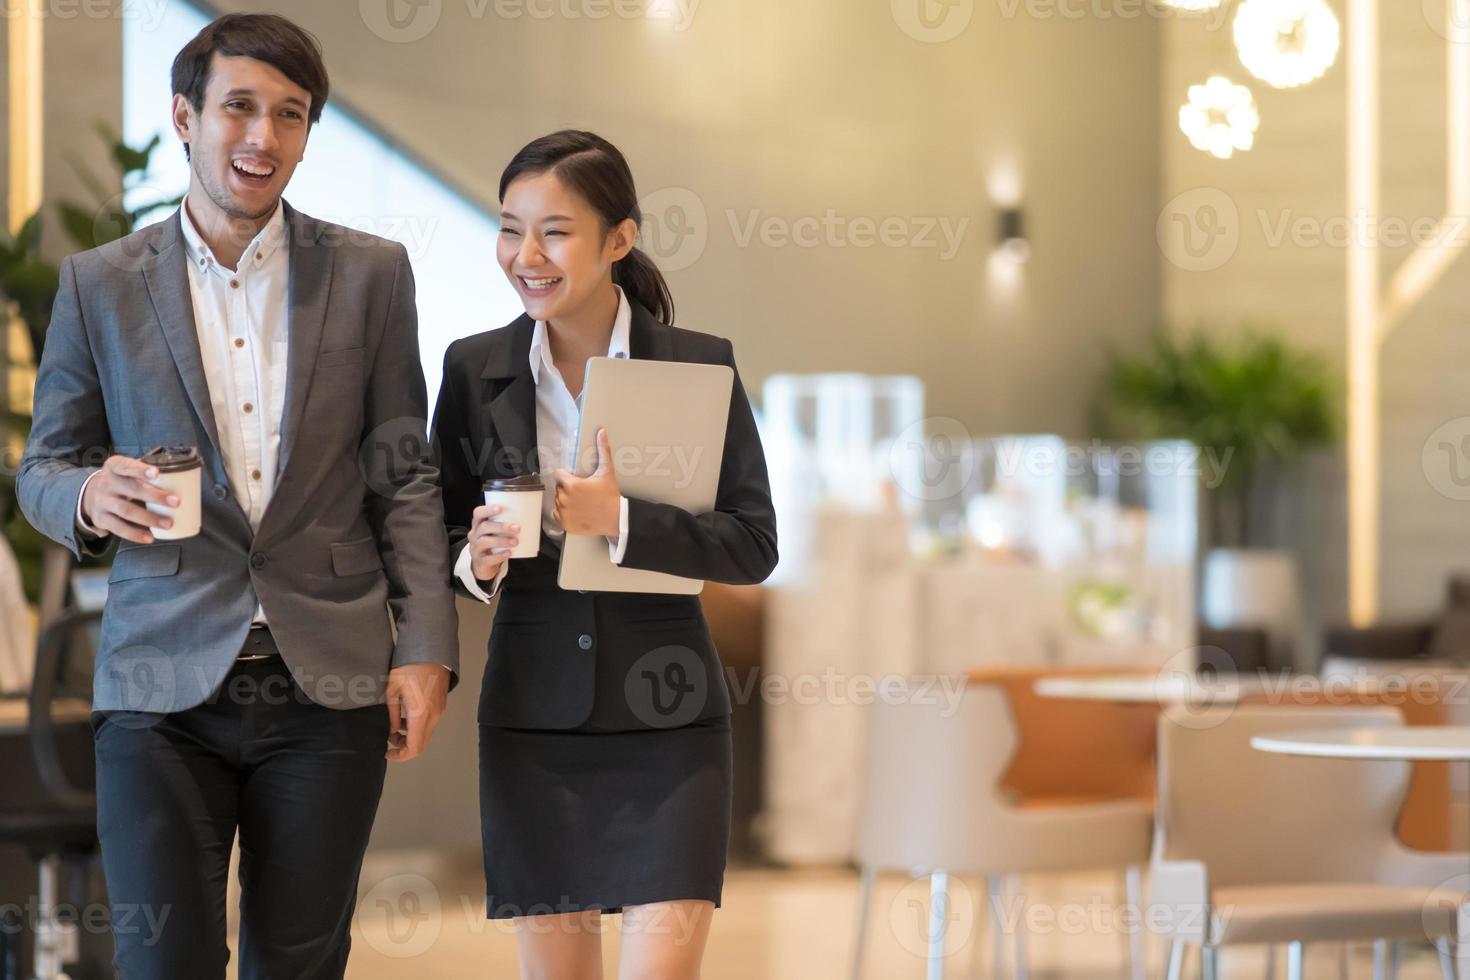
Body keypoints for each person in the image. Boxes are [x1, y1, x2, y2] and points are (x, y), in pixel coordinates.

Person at [16, 13, 458, 978]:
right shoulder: (100, 285)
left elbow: (405, 476)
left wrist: (424, 648)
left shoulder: (372, 275)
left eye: (290, 115)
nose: (263, 137)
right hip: (159, 685)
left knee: (300, 962)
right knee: (160, 962)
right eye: (240, 108)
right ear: (186, 116)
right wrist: (91, 495)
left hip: (326, 680)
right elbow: (42, 468)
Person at [431, 129, 777, 979]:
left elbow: (753, 543)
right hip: (533, 721)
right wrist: (474, 559)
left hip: (670, 721)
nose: (526, 255)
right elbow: (434, 533)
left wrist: (619, 517)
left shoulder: (698, 365)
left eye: (554, 230)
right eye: (510, 228)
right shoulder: (474, 369)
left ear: (619, 239)